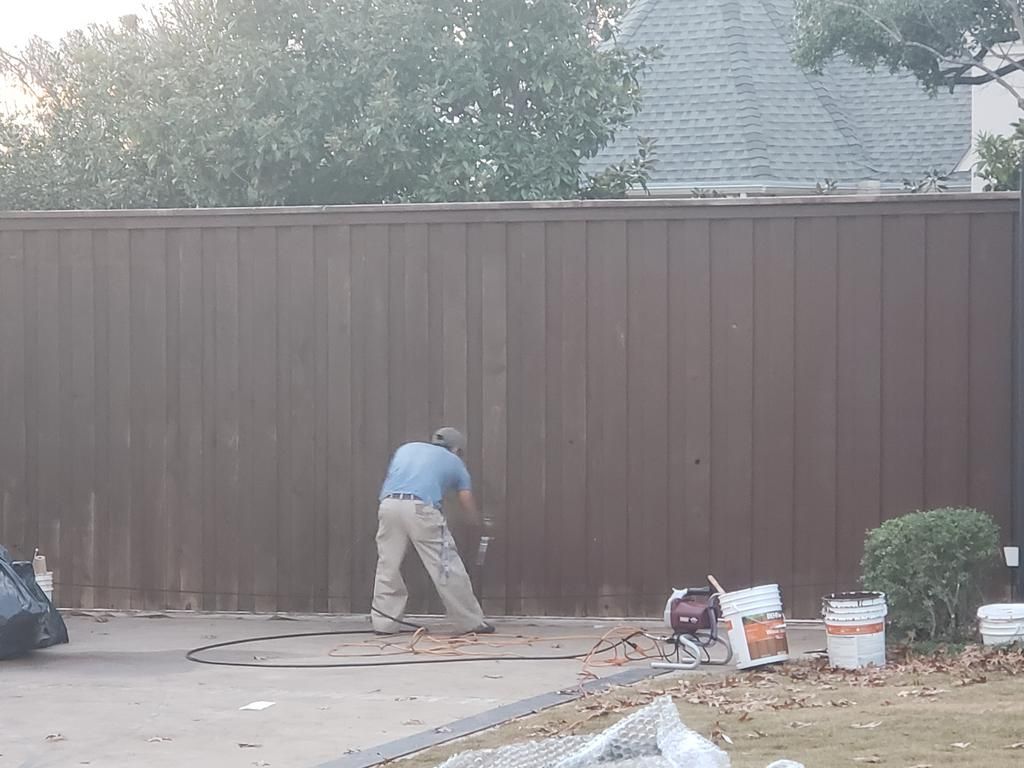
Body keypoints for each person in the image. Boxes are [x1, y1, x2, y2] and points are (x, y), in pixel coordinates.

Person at [371, 427, 494, 635]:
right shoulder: (455, 462)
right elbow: (465, 498)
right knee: (446, 566)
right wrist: (476, 521)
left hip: (389, 505)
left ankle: (385, 624)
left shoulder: (406, 449)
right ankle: (471, 622)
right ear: (456, 449)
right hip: (420, 508)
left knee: (387, 565)